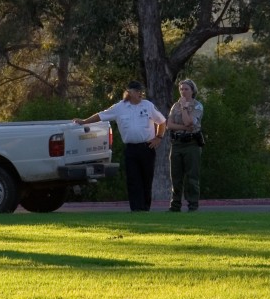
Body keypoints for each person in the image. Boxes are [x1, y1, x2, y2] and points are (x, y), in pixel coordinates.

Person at [73, 80, 166, 212]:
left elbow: (162, 122)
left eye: (141, 91)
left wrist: (159, 137)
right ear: (129, 92)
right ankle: (136, 209)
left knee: (146, 179)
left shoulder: (148, 106)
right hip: (131, 149)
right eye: (137, 91)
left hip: (147, 148)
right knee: (133, 180)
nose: (140, 93)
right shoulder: (120, 107)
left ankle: (145, 208)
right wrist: (84, 122)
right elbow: (101, 115)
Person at [166, 78, 204, 212]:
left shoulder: (197, 106)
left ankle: (193, 205)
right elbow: (169, 125)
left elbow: (189, 122)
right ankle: (175, 206)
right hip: (176, 144)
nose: (183, 91)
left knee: (192, 177)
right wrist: (182, 126)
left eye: (186, 89)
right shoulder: (175, 106)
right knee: (176, 177)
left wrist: (184, 107)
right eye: (181, 89)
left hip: (191, 144)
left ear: (192, 90)